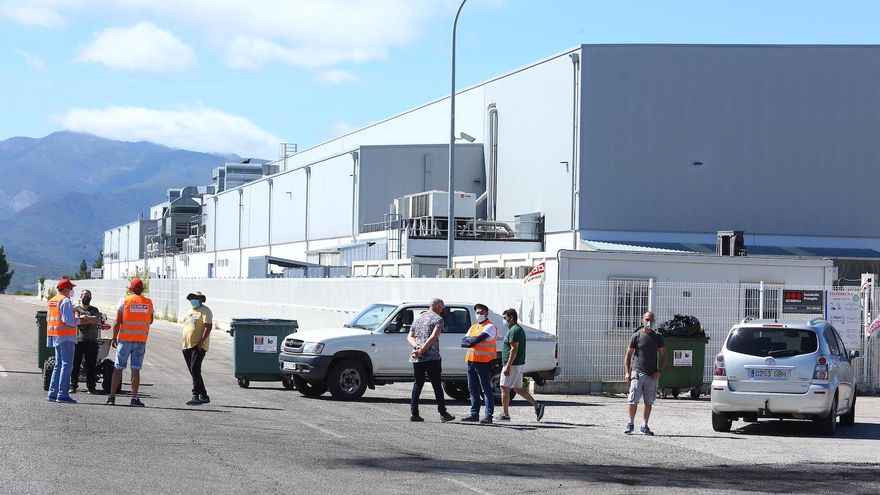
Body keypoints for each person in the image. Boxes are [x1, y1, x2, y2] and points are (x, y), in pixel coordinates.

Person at [47, 279, 99, 404]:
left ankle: (53, 393)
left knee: (58, 365)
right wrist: (81, 320)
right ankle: (63, 395)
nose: (72, 290)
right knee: (66, 365)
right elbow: (69, 321)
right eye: (70, 288)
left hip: (55, 336)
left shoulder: (52, 300)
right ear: (65, 289)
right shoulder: (65, 301)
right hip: (66, 337)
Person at [406, 298, 456, 423]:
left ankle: (414, 413)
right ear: (437, 306)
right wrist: (422, 350)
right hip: (432, 357)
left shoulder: (419, 318)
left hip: (417, 357)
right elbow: (434, 336)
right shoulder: (438, 319)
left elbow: (410, 336)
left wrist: (417, 347)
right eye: (442, 307)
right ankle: (443, 413)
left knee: (418, 384)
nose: (443, 309)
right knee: (436, 385)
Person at [107, 278, 154, 407]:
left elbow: (117, 321)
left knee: (118, 368)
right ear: (142, 289)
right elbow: (150, 321)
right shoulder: (148, 302)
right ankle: (134, 398)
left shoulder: (124, 301)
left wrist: (114, 338)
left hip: (125, 340)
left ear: (130, 289)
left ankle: (111, 397)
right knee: (135, 370)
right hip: (140, 341)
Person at [497, 308, 545, 422]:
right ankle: (537, 406)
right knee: (517, 388)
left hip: (513, 365)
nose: (504, 321)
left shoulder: (514, 330)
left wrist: (508, 366)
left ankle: (505, 414)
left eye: (505, 318)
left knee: (504, 387)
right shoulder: (517, 329)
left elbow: (514, 349)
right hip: (518, 364)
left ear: (511, 318)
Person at [624, 311, 667, 435]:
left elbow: (664, 355)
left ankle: (645, 425)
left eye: (651, 320)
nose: (649, 322)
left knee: (648, 402)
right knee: (633, 400)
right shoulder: (636, 336)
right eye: (647, 319)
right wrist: (628, 372)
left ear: (654, 322)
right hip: (637, 373)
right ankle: (630, 423)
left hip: (651, 375)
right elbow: (628, 355)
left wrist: (659, 371)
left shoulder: (658, 337)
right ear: (642, 320)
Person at [460, 303, 498, 424]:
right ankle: (474, 414)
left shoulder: (490, 326)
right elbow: (463, 342)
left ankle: (488, 415)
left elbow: (474, 341)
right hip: (471, 361)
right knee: (472, 388)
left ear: (486, 313)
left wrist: (471, 341)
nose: (479, 315)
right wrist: (470, 341)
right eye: (477, 312)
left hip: (483, 362)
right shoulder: (473, 327)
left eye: (481, 312)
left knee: (485, 389)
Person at [182, 291, 213, 406]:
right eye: (191, 298)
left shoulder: (205, 311)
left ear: (200, 299)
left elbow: (208, 327)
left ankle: (195, 395)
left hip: (198, 346)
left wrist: (201, 342)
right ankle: (204, 395)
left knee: (195, 369)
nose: (193, 300)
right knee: (194, 371)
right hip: (186, 345)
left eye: (195, 298)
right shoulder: (189, 312)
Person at [70, 289, 102, 394]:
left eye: (88, 296)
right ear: (81, 297)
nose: (86, 298)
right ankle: (73, 385)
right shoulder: (76, 309)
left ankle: (91, 387)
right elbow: (76, 320)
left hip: (92, 341)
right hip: (79, 341)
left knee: (91, 365)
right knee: (75, 364)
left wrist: (85, 318)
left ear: (91, 298)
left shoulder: (94, 309)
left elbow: (97, 320)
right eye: (84, 296)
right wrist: (87, 319)